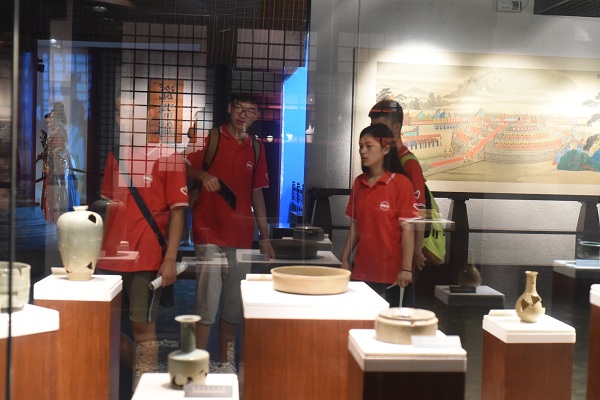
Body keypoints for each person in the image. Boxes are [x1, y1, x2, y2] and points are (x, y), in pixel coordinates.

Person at [96, 102, 188, 386]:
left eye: (131, 113)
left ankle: (143, 388)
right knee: (104, 328)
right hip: (110, 257)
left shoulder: (169, 156)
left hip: (146, 257)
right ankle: (147, 378)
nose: (124, 119)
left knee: (143, 330)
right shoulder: (116, 154)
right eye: (120, 113)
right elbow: (109, 205)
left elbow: (178, 211)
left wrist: (170, 259)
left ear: (149, 117)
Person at [186, 93, 275, 372]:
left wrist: (265, 238)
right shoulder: (209, 138)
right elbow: (182, 165)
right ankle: (197, 366)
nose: (243, 115)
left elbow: (257, 194)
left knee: (233, 308)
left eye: (250, 111)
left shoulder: (256, 148)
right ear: (229, 108)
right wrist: (203, 175)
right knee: (206, 306)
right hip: (208, 233)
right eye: (238, 108)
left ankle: (226, 364)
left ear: (257, 116)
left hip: (241, 238)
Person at [341, 123, 419, 307]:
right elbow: (355, 225)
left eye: (369, 146)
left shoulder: (401, 183)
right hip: (362, 271)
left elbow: (408, 229)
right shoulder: (359, 183)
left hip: (392, 275)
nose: (363, 151)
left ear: (386, 149)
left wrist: (406, 269)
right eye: (361, 146)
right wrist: (344, 259)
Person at [369, 99, 427, 307]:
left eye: (381, 127)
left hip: (402, 255)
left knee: (400, 310)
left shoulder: (409, 163)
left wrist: (416, 253)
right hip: (383, 253)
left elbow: (419, 212)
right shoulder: (383, 160)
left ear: (396, 128)